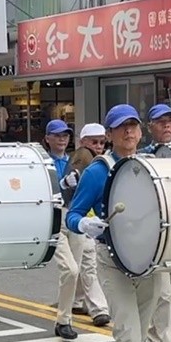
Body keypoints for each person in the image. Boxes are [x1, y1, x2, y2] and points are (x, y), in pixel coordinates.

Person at [66, 104, 160, 342]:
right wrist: (86, 224)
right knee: (128, 335)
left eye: (134, 126)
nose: (129, 133)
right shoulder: (97, 170)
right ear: (109, 134)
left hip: (151, 261)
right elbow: (72, 215)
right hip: (113, 259)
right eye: (122, 128)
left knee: (135, 336)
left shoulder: (151, 164)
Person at [140, 104, 171, 342]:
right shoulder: (143, 157)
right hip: (156, 233)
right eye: (161, 122)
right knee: (164, 292)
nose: (167, 126)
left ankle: (154, 341)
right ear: (150, 127)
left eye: (170, 122)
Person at [68, 124, 111, 326]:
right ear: (83, 141)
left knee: (81, 264)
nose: (99, 145)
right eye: (94, 141)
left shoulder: (97, 160)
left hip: (85, 219)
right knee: (86, 264)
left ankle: (76, 301)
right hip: (80, 219)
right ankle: (99, 308)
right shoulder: (85, 158)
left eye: (102, 142)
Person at [45, 119, 80, 340]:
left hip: (75, 216)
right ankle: (64, 320)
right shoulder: (42, 162)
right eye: (57, 135)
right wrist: (62, 184)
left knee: (73, 272)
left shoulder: (75, 160)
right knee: (70, 269)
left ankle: (64, 319)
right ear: (47, 138)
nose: (62, 138)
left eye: (65, 135)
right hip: (54, 217)